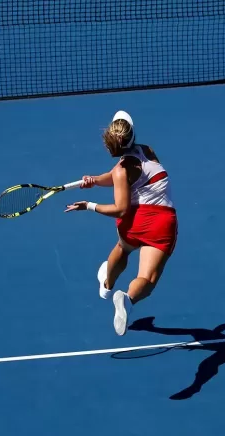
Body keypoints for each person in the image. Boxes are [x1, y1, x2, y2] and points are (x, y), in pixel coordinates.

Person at [65, 111, 177, 336]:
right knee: (147, 278)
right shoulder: (147, 151)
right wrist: (95, 181)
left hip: (134, 221)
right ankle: (127, 299)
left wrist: (89, 205)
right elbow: (120, 179)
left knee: (123, 247)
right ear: (132, 135)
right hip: (161, 223)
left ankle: (107, 286)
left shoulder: (120, 171)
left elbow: (121, 207)